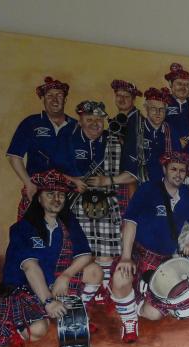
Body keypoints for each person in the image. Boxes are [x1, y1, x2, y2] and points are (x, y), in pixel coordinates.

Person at [0, 170, 102, 347]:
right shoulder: (22, 228)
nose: (56, 199)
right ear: (39, 199)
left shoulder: (68, 223)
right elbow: (30, 267)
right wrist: (49, 302)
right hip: (26, 288)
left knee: (94, 271)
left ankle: (73, 312)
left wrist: (65, 276)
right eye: (50, 194)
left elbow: (85, 255)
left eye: (61, 195)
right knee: (37, 330)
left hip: (54, 282)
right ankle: (43, 315)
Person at [110, 152, 189, 343]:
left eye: (182, 171)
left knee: (153, 314)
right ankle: (129, 319)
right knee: (121, 276)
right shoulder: (148, 189)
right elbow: (130, 222)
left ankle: (133, 302)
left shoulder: (187, 195)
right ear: (164, 169)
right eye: (173, 169)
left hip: (163, 260)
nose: (178, 174)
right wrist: (126, 257)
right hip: (138, 252)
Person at [53, 100, 123, 305]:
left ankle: (104, 289)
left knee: (106, 253)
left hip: (106, 201)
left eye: (99, 119)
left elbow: (129, 173)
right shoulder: (68, 140)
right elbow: (54, 171)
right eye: (89, 119)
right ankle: (89, 287)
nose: (95, 123)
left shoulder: (113, 141)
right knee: (85, 251)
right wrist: (74, 181)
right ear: (80, 121)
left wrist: (107, 181)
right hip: (77, 202)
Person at [6, 76, 77, 219]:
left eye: (59, 95)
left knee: (67, 231)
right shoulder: (31, 123)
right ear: (43, 99)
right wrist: (29, 184)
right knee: (32, 229)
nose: (55, 100)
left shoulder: (76, 126)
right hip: (38, 190)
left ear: (65, 99)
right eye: (49, 96)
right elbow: (14, 156)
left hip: (68, 193)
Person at [116, 87, 182, 187]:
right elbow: (129, 162)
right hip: (139, 184)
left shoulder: (172, 131)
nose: (158, 113)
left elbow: (177, 160)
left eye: (161, 109)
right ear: (146, 108)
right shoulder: (134, 130)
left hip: (166, 185)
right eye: (153, 109)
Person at [108, 79, 143, 213]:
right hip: (120, 178)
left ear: (133, 99)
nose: (122, 99)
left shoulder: (137, 121)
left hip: (131, 182)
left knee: (131, 216)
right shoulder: (121, 119)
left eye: (126, 96)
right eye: (119, 95)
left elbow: (133, 161)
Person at [163, 62, 189, 147]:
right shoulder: (163, 103)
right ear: (170, 84)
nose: (183, 88)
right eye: (179, 84)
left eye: (187, 85)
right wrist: (175, 142)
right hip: (169, 152)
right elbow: (157, 130)